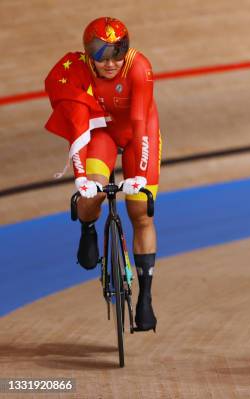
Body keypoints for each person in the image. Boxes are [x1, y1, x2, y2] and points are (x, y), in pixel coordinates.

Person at [44, 17, 161, 332]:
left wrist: (136, 179)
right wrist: (81, 177)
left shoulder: (138, 67)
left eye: (116, 54)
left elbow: (139, 121)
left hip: (139, 134)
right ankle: (88, 228)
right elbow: (77, 128)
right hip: (100, 134)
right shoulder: (77, 72)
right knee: (91, 193)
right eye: (101, 55)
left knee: (141, 212)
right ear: (87, 54)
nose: (110, 63)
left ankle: (145, 297)